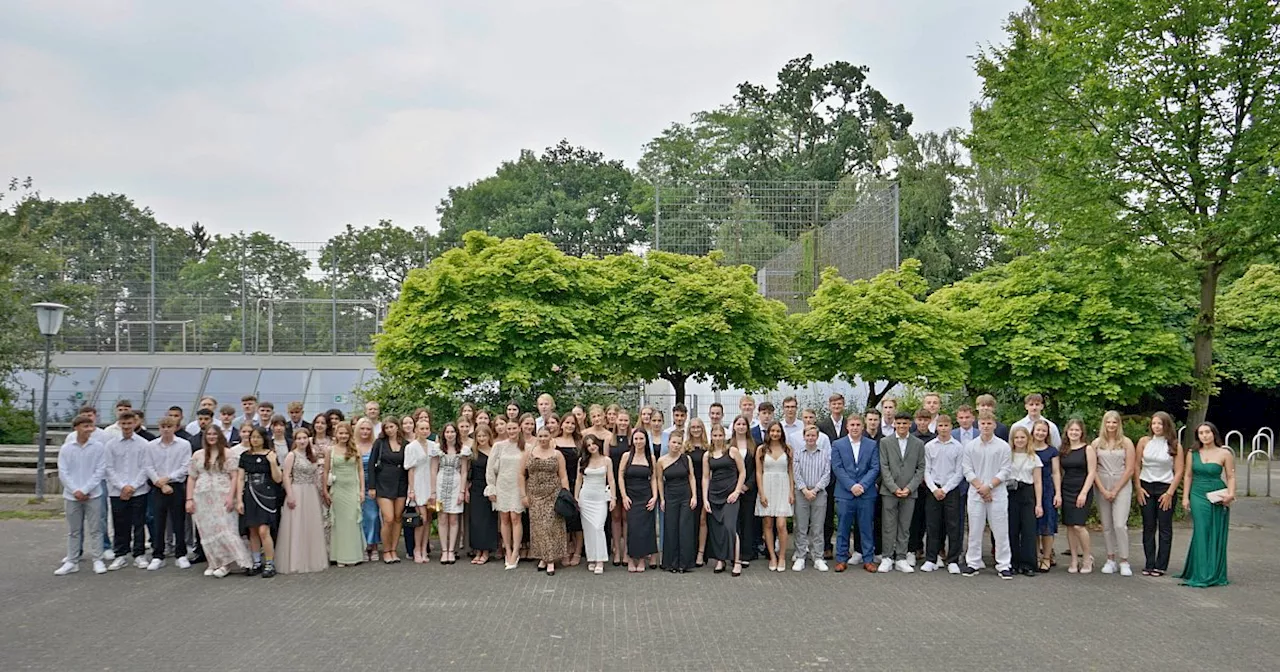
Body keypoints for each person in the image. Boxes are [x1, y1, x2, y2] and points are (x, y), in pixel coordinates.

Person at [186, 426, 250, 578]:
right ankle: (213, 562)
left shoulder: (228, 453)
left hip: (222, 494)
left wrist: (231, 496)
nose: (211, 436)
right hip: (202, 496)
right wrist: (189, 499)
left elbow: (234, 476)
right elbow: (192, 477)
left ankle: (227, 563)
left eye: (215, 434)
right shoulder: (198, 455)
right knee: (207, 530)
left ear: (220, 436)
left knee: (225, 528)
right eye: (209, 434)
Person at [1176, 422, 1235, 588]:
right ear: (1198, 436)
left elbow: (1230, 476)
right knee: (1201, 529)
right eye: (1201, 433)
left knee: (1214, 530)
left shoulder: (1225, 453)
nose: (1204, 436)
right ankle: (1201, 573)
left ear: (1213, 433)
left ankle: (1212, 569)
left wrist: (1230, 495)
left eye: (1207, 432)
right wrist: (1185, 497)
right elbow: (1187, 476)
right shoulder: (1192, 453)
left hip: (1217, 494)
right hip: (1197, 494)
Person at [961, 410, 1014, 579]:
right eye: (983, 423)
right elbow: (967, 469)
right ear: (978, 425)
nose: (985, 426)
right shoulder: (970, 446)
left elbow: (1005, 470)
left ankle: (1004, 564)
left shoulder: (1003, 446)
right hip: (976, 493)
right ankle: (973, 563)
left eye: (989, 423)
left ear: (994, 426)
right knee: (975, 530)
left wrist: (989, 486)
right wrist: (981, 488)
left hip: (997, 494)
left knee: (1000, 530)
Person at [55, 415, 108, 576]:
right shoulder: (67, 448)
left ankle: (98, 559)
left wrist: (85, 489)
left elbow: (100, 470)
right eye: (85, 426)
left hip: (93, 495)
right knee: (74, 530)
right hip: (72, 496)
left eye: (90, 426)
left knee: (96, 528)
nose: (89, 430)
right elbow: (63, 471)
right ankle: (72, 561)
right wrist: (75, 490)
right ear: (76, 428)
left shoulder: (98, 447)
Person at [1136, 411, 1184, 577]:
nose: (1156, 426)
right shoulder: (1144, 442)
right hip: (1146, 487)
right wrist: (1138, 488)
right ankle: (1149, 563)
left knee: (1164, 527)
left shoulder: (1174, 445)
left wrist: (1170, 493)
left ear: (1166, 425)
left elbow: (1179, 471)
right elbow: (1136, 466)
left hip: (1165, 487)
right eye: (1154, 423)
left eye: (1160, 424)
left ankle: (1161, 565)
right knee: (1148, 526)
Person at [877, 412, 926, 573]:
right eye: (899, 423)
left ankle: (901, 557)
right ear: (894, 425)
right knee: (888, 525)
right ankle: (886, 557)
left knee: (905, 526)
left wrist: (910, 488)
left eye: (905, 423)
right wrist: (894, 488)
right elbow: (884, 466)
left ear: (910, 424)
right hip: (890, 491)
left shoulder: (918, 444)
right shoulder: (885, 442)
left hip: (909, 492)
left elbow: (920, 468)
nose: (902, 426)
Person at [276, 429, 328, 574]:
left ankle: (310, 559)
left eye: (305, 438)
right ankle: (296, 561)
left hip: (311, 492)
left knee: (310, 526)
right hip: (297, 490)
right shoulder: (292, 455)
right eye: (299, 438)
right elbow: (286, 476)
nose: (302, 441)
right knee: (297, 525)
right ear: (295, 440)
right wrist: (290, 495)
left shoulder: (311, 456)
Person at [832, 415, 879, 573]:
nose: (855, 427)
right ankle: (841, 558)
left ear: (863, 426)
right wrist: (852, 485)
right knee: (843, 527)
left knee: (866, 528)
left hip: (866, 494)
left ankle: (868, 559)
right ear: (847, 427)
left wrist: (862, 486)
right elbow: (837, 468)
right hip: (845, 493)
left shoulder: (871, 444)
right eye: (852, 424)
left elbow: (874, 468)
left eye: (858, 424)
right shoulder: (838, 444)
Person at [144, 416, 192, 570]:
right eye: (163, 426)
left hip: (176, 486)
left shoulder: (184, 445)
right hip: (158, 487)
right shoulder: (151, 446)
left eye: (169, 426)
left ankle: (181, 554)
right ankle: (158, 555)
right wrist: (159, 482)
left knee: (179, 521)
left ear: (175, 427)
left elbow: (185, 466)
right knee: (158, 522)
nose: (166, 429)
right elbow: (148, 466)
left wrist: (168, 478)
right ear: (159, 428)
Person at [104, 410, 151, 569]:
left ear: (135, 423)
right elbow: (109, 468)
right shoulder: (111, 444)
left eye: (129, 423)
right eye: (123, 424)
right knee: (120, 524)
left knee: (138, 523)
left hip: (138, 490)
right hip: (117, 491)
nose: (126, 427)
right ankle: (120, 554)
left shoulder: (143, 444)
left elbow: (145, 467)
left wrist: (133, 486)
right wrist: (122, 486)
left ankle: (139, 554)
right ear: (119, 424)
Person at [521, 425, 569, 575]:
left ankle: (550, 561)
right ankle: (543, 556)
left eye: (545, 436)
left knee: (550, 525)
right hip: (534, 494)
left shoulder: (557, 454)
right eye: (540, 436)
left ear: (550, 437)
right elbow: (521, 474)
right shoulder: (529, 453)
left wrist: (566, 495)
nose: (543, 439)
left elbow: (563, 475)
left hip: (553, 493)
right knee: (538, 528)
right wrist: (523, 495)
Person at [1093, 410, 1136, 576]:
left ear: (1119, 424)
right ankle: (1110, 559)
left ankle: (1124, 560)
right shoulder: (1097, 443)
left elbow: (1130, 468)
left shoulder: (1126, 443)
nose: (1111, 425)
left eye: (1114, 422)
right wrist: (1103, 490)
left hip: (1121, 483)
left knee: (1119, 524)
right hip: (1102, 483)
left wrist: (1116, 489)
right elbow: (1093, 468)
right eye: (1108, 422)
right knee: (1107, 525)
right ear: (1104, 424)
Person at [922, 413, 964, 574]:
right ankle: (931, 558)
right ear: (936, 427)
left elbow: (959, 472)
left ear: (951, 427)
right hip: (933, 489)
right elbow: (926, 470)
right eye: (940, 426)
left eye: (946, 426)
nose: (943, 429)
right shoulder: (930, 446)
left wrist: (945, 489)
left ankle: (953, 560)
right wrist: (934, 489)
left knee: (953, 525)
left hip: (951, 490)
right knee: (933, 525)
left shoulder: (958, 447)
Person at [238, 427, 283, 577]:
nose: (255, 440)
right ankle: (256, 561)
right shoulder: (245, 456)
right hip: (250, 495)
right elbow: (239, 478)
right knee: (253, 530)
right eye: (252, 437)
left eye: (258, 437)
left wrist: (272, 463)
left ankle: (270, 563)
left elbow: (278, 479)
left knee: (264, 530)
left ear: (264, 438)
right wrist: (239, 500)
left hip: (267, 495)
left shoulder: (271, 455)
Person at [703, 423, 747, 576]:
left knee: (730, 527)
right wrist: (705, 499)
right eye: (715, 435)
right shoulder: (707, 455)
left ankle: (737, 561)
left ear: (725, 436)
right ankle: (720, 559)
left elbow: (742, 472)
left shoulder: (732, 451)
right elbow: (705, 477)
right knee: (717, 529)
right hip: (714, 496)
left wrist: (736, 491)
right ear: (711, 437)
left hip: (730, 496)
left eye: (720, 435)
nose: (717, 438)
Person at [1059, 418, 1097, 573]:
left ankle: (1087, 558)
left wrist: (1083, 492)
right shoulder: (1064, 449)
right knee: (1069, 526)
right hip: (1066, 488)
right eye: (1071, 430)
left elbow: (1092, 472)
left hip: (1082, 489)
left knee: (1079, 525)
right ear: (1067, 432)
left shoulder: (1087, 449)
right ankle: (1074, 559)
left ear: (1082, 432)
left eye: (1077, 430)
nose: (1074, 433)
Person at [755, 422, 795, 572]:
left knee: (781, 524)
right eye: (772, 431)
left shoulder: (788, 449)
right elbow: (759, 472)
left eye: (778, 431)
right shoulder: (761, 449)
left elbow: (791, 471)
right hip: (767, 486)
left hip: (783, 487)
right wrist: (761, 492)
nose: (775, 433)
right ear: (768, 432)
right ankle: (772, 556)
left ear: (781, 433)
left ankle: (782, 556)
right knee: (768, 524)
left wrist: (791, 491)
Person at [368, 418, 408, 563]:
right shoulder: (379, 443)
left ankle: (393, 550)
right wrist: (371, 487)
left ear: (397, 427)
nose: (389, 430)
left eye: (392, 427)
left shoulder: (405, 444)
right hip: (383, 484)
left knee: (398, 518)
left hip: (401, 483)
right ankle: (385, 550)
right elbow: (372, 465)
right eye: (386, 428)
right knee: (389, 518)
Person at [488, 417, 526, 570]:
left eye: (514, 428)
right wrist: (491, 487)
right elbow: (490, 469)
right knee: (504, 518)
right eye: (508, 428)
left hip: (518, 487)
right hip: (502, 485)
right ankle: (507, 550)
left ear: (519, 429)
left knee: (515, 517)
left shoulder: (526, 447)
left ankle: (516, 551)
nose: (511, 431)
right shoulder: (498, 446)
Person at [325, 422, 365, 567]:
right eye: (340, 433)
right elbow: (325, 471)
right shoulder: (330, 450)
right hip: (338, 489)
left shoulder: (356, 449)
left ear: (350, 435)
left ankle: (353, 555)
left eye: (346, 433)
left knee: (352, 520)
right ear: (336, 434)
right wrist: (325, 490)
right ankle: (339, 556)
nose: (343, 436)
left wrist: (361, 490)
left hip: (352, 488)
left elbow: (360, 470)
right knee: (339, 523)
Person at [791, 425, 830, 572]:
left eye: (813, 435)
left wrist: (815, 490)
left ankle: (818, 557)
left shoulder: (825, 454)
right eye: (808, 435)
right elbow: (796, 473)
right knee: (801, 526)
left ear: (817, 437)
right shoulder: (798, 454)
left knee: (817, 527)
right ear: (804, 437)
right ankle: (800, 556)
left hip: (819, 493)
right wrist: (805, 490)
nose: (810, 438)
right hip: (802, 493)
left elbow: (827, 474)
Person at [657, 433, 697, 573]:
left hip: (686, 496)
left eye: (679, 443)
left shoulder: (687, 459)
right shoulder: (661, 461)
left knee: (685, 528)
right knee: (671, 528)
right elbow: (660, 481)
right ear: (668, 443)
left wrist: (694, 496)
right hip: (670, 496)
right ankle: (670, 563)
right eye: (674, 442)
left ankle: (684, 563)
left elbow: (691, 477)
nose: (676, 445)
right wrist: (662, 499)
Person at [1006, 426, 1044, 577]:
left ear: (1028, 439)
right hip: (1011, 493)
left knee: (1029, 530)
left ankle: (1028, 564)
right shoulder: (1007, 456)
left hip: (1028, 493)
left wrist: (1039, 503)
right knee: (1012, 529)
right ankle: (1013, 562)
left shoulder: (1034, 457)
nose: (1020, 440)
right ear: (1012, 440)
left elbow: (1038, 482)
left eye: (1022, 437)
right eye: (1017, 438)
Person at [430, 422, 470, 565]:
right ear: (443, 434)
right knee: (442, 518)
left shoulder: (463, 450)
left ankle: (451, 550)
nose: (450, 434)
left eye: (452, 432)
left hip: (456, 485)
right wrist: (433, 492)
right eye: (447, 432)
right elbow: (433, 469)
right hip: (441, 486)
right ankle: (444, 550)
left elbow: (464, 471)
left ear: (456, 433)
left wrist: (462, 491)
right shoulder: (437, 449)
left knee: (453, 519)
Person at [620, 428, 659, 573]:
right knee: (632, 528)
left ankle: (642, 559)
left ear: (646, 440)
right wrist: (624, 496)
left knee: (646, 529)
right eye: (636, 439)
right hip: (631, 496)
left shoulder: (651, 458)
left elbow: (654, 478)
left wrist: (654, 497)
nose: (638, 442)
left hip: (646, 496)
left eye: (641, 439)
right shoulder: (626, 456)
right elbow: (620, 476)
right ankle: (631, 558)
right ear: (632, 440)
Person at [817, 393, 847, 560]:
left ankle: (843, 547)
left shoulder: (849, 424)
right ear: (829, 406)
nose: (836, 406)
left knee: (844, 513)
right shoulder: (822, 425)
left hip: (845, 476)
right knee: (827, 512)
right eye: (834, 404)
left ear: (843, 405)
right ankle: (827, 546)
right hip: (828, 475)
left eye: (839, 403)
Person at [1031, 420, 1062, 572]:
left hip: (1048, 490)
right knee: (1033, 526)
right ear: (1033, 431)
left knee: (1047, 526)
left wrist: (1058, 493)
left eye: (1043, 431)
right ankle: (1035, 556)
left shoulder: (1052, 451)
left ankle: (1047, 557)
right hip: (1030, 490)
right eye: (1038, 430)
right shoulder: (1027, 449)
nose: (1040, 433)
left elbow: (1056, 473)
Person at [906, 408, 937, 563]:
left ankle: (931, 550)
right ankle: (913, 548)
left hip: (931, 485)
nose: (922, 423)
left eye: (926, 420)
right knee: (914, 519)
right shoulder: (911, 438)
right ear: (915, 421)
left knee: (929, 520)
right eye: (920, 420)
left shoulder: (935, 438)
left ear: (930, 421)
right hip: (915, 485)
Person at [730, 414, 760, 565]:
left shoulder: (755, 444)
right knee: (734, 521)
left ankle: (747, 553)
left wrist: (747, 485)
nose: (741, 427)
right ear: (734, 426)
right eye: (738, 424)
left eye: (744, 424)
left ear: (747, 427)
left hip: (749, 489)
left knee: (748, 521)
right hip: (732, 489)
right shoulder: (728, 444)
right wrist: (735, 487)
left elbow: (757, 469)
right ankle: (734, 553)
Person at [404, 417, 435, 564]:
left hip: (431, 484)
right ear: (416, 430)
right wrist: (411, 490)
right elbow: (410, 470)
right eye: (421, 428)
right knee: (420, 519)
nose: (424, 431)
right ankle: (417, 549)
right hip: (417, 484)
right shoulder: (411, 447)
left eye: (426, 428)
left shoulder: (433, 445)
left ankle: (424, 548)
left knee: (428, 519)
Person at [555, 413, 584, 566]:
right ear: (561, 424)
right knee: (564, 520)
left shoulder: (579, 442)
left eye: (573, 423)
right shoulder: (554, 442)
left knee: (577, 522)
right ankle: (565, 551)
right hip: (559, 486)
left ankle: (578, 552)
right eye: (567, 422)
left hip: (578, 484)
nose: (570, 426)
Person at [468, 425, 499, 566]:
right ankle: (477, 550)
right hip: (475, 488)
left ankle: (486, 551)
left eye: (484, 436)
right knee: (476, 521)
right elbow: (468, 472)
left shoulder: (494, 451)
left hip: (489, 488)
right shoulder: (472, 452)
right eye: (479, 436)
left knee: (488, 521)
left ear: (489, 436)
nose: (481, 439)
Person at [354, 417, 381, 562]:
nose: (365, 431)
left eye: (368, 429)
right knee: (359, 518)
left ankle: (373, 545)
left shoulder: (376, 445)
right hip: (355, 485)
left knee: (373, 516)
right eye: (362, 428)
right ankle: (362, 546)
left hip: (372, 485)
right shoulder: (352, 445)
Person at [685, 418, 710, 567]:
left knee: (702, 520)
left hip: (705, 486)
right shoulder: (685, 448)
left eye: (698, 427)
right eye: (693, 427)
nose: (695, 429)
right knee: (690, 521)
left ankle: (701, 552)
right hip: (688, 488)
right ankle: (690, 551)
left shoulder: (708, 448)